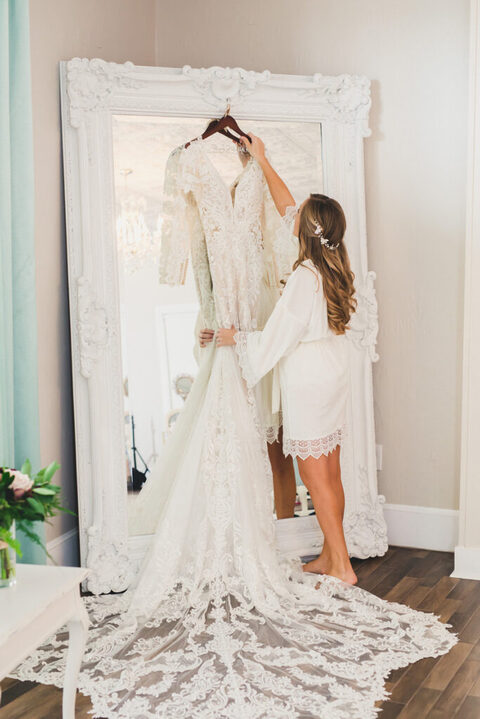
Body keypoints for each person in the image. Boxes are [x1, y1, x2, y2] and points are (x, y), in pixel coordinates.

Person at [215, 133, 358, 585]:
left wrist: (235, 338)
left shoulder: (303, 278)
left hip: (309, 381)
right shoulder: (331, 268)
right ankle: (332, 555)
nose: (290, 214)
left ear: (307, 229)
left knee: (313, 478)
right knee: (329, 471)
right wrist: (261, 160)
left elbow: (276, 338)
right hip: (331, 374)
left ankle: (342, 566)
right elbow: (288, 206)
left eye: (298, 214)